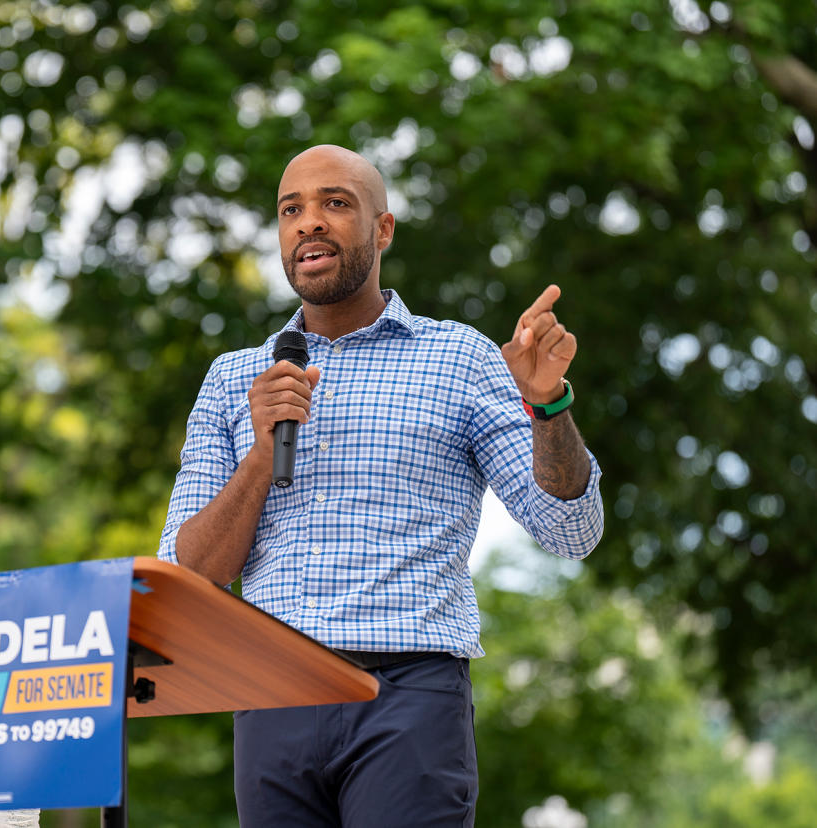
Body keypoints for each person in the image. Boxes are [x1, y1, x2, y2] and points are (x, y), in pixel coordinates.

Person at [156, 145, 604, 827]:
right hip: (271, 694)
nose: (310, 223)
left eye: (335, 203)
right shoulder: (231, 379)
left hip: (407, 698)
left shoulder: (459, 358)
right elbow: (194, 574)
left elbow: (572, 530)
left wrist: (548, 406)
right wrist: (259, 450)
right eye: (291, 210)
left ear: (383, 229)